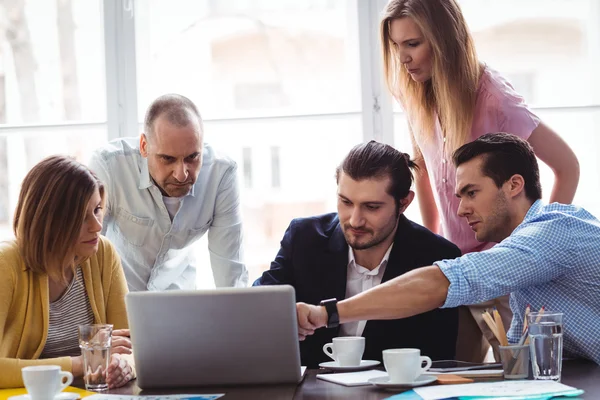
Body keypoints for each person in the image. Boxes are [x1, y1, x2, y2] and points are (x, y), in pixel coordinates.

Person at [380, 0, 580, 361]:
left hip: (504, 272)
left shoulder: (494, 98)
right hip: (460, 271)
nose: (403, 58)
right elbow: (423, 170)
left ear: (443, 40)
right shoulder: (418, 96)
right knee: (452, 376)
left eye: (412, 44)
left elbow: (567, 166)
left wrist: (536, 243)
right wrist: (436, 245)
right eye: (397, 47)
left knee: (527, 378)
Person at [297, 133, 600, 365]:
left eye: (472, 193)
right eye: (460, 196)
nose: (461, 210)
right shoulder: (525, 268)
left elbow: (451, 279)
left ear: (514, 185)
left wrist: (329, 313)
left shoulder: (554, 231)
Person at [254, 141, 460, 368]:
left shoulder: (437, 257)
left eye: (372, 207)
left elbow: (438, 358)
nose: (354, 220)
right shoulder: (304, 238)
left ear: (404, 203)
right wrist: (282, 314)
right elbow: (258, 302)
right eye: (345, 202)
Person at [88, 94, 248, 291]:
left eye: (192, 157)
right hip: (119, 300)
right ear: (144, 146)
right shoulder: (110, 166)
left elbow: (230, 273)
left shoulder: (221, 174)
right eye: (168, 159)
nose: (181, 175)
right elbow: (87, 255)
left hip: (180, 303)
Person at [0, 155, 134, 388]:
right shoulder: (6, 263)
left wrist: (125, 366)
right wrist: (80, 363)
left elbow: (129, 345)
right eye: (82, 217)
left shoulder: (103, 253)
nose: (97, 226)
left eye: (97, 210)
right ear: (49, 220)